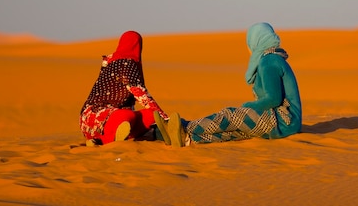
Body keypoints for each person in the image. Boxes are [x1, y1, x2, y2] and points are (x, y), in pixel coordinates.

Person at [165, 22, 302, 147]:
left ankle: (184, 127)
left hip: (283, 122)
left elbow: (273, 99)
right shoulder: (270, 59)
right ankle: (188, 139)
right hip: (280, 123)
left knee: (231, 115)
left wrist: (247, 108)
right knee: (233, 132)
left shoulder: (269, 61)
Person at [79, 30, 173, 145]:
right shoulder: (126, 63)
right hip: (97, 118)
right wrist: (165, 119)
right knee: (127, 115)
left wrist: (158, 116)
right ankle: (102, 141)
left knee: (150, 116)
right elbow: (139, 93)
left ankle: (117, 137)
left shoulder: (111, 62)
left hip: (112, 120)